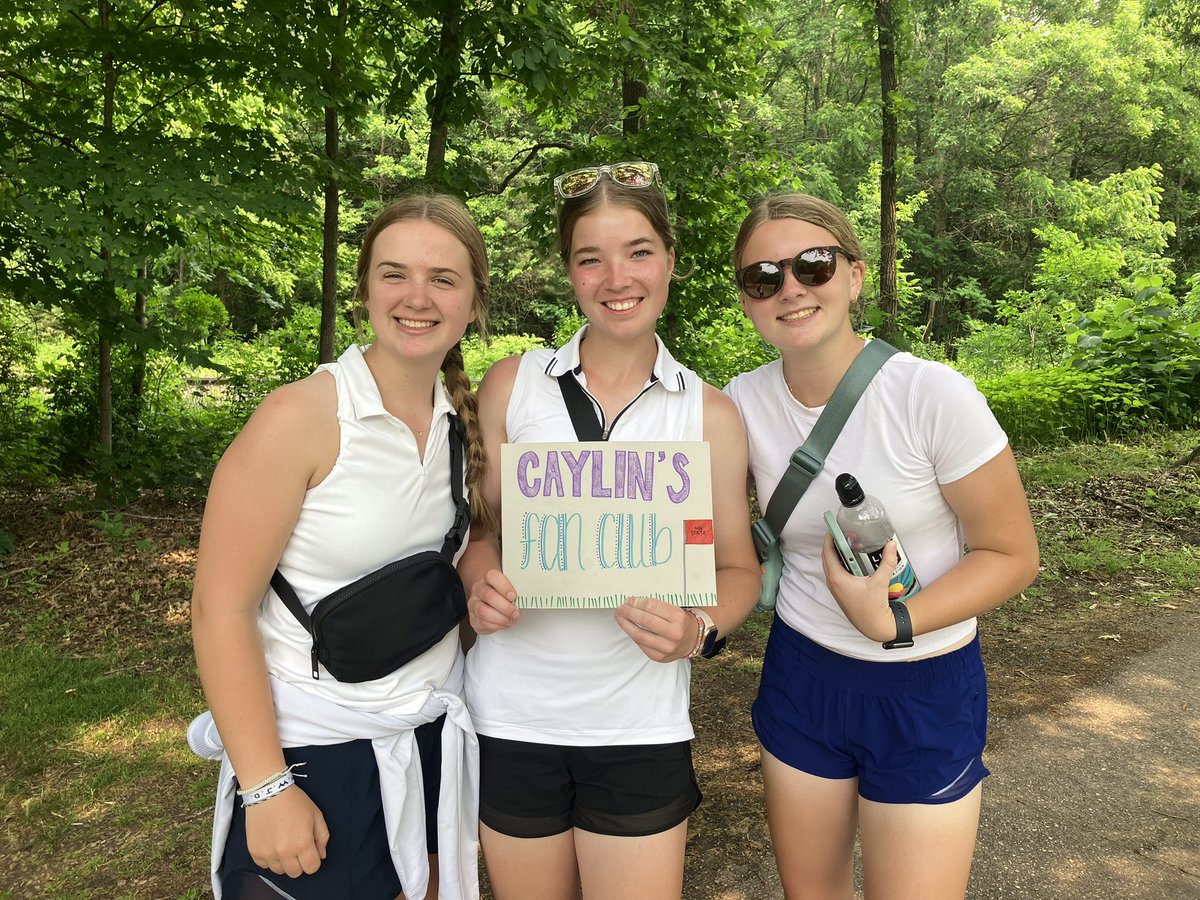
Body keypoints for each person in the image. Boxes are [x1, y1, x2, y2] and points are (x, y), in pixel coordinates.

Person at [723, 193, 1040, 900]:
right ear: (746, 299)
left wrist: (892, 620)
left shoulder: (932, 396)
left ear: (856, 274)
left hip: (925, 684)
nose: (791, 289)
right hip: (803, 677)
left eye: (812, 265)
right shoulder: (738, 403)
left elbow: (1011, 554)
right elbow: (675, 513)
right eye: (762, 277)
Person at [459, 161, 761, 900]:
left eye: (637, 252)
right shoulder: (512, 384)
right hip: (510, 715)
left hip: (638, 725)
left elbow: (739, 570)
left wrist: (699, 631)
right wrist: (479, 584)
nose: (615, 276)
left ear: (670, 262)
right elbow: (480, 534)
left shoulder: (708, 414)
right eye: (590, 257)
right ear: (569, 271)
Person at [189, 193, 493, 900]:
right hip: (310, 754)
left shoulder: (461, 423)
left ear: (475, 300)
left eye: (443, 279)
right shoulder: (302, 416)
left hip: (427, 740)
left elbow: (460, 557)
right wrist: (266, 790)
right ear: (363, 290)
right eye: (395, 274)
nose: (417, 297)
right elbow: (219, 608)